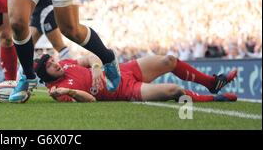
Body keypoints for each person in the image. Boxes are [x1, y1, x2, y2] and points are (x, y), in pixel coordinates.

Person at [34, 53, 238, 103]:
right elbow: (91, 100)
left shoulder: (68, 63)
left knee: (169, 60)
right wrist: (69, 91)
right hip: (124, 90)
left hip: (124, 70)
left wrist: (96, 66)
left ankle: (212, 83)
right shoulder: (58, 91)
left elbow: (90, 56)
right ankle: (215, 99)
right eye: (50, 66)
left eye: (53, 60)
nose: (56, 63)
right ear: (46, 76)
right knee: (175, 91)